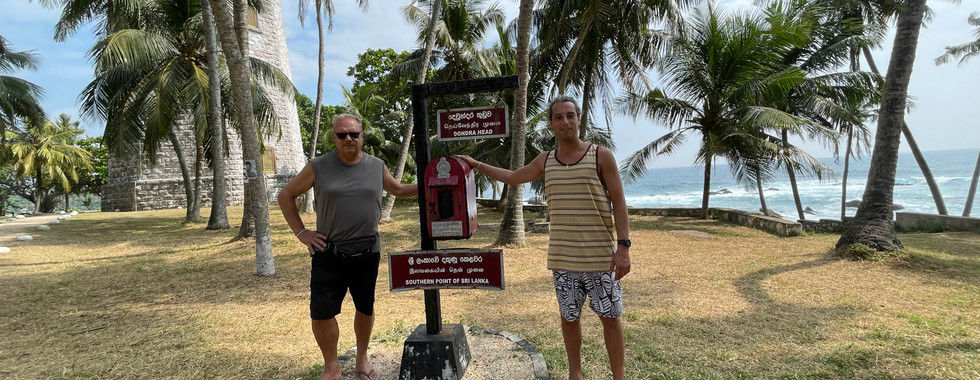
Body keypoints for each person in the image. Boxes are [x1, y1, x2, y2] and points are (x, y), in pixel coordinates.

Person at [456, 96, 632, 380]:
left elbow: (619, 201)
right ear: (551, 124)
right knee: (570, 319)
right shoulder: (545, 160)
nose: (566, 122)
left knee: (610, 319)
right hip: (563, 260)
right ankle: (576, 374)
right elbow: (513, 177)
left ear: (578, 119)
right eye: (559, 117)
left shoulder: (601, 156)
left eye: (571, 115)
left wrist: (623, 247)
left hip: (601, 259)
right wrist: (476, 164)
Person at [279, 113, 418, 380]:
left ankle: (362, 359)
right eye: (342, 134)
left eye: (354, 133)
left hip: (367, 251)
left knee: (364, 307)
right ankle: (331, 366)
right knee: (321, 313)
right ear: (333, 137)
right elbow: (286, 195)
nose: (348, 138)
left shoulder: (376, 166)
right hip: (328, 252)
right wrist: (301, 232)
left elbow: (399, 190)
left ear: (362, 136)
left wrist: (431, 183)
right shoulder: (318, 166)